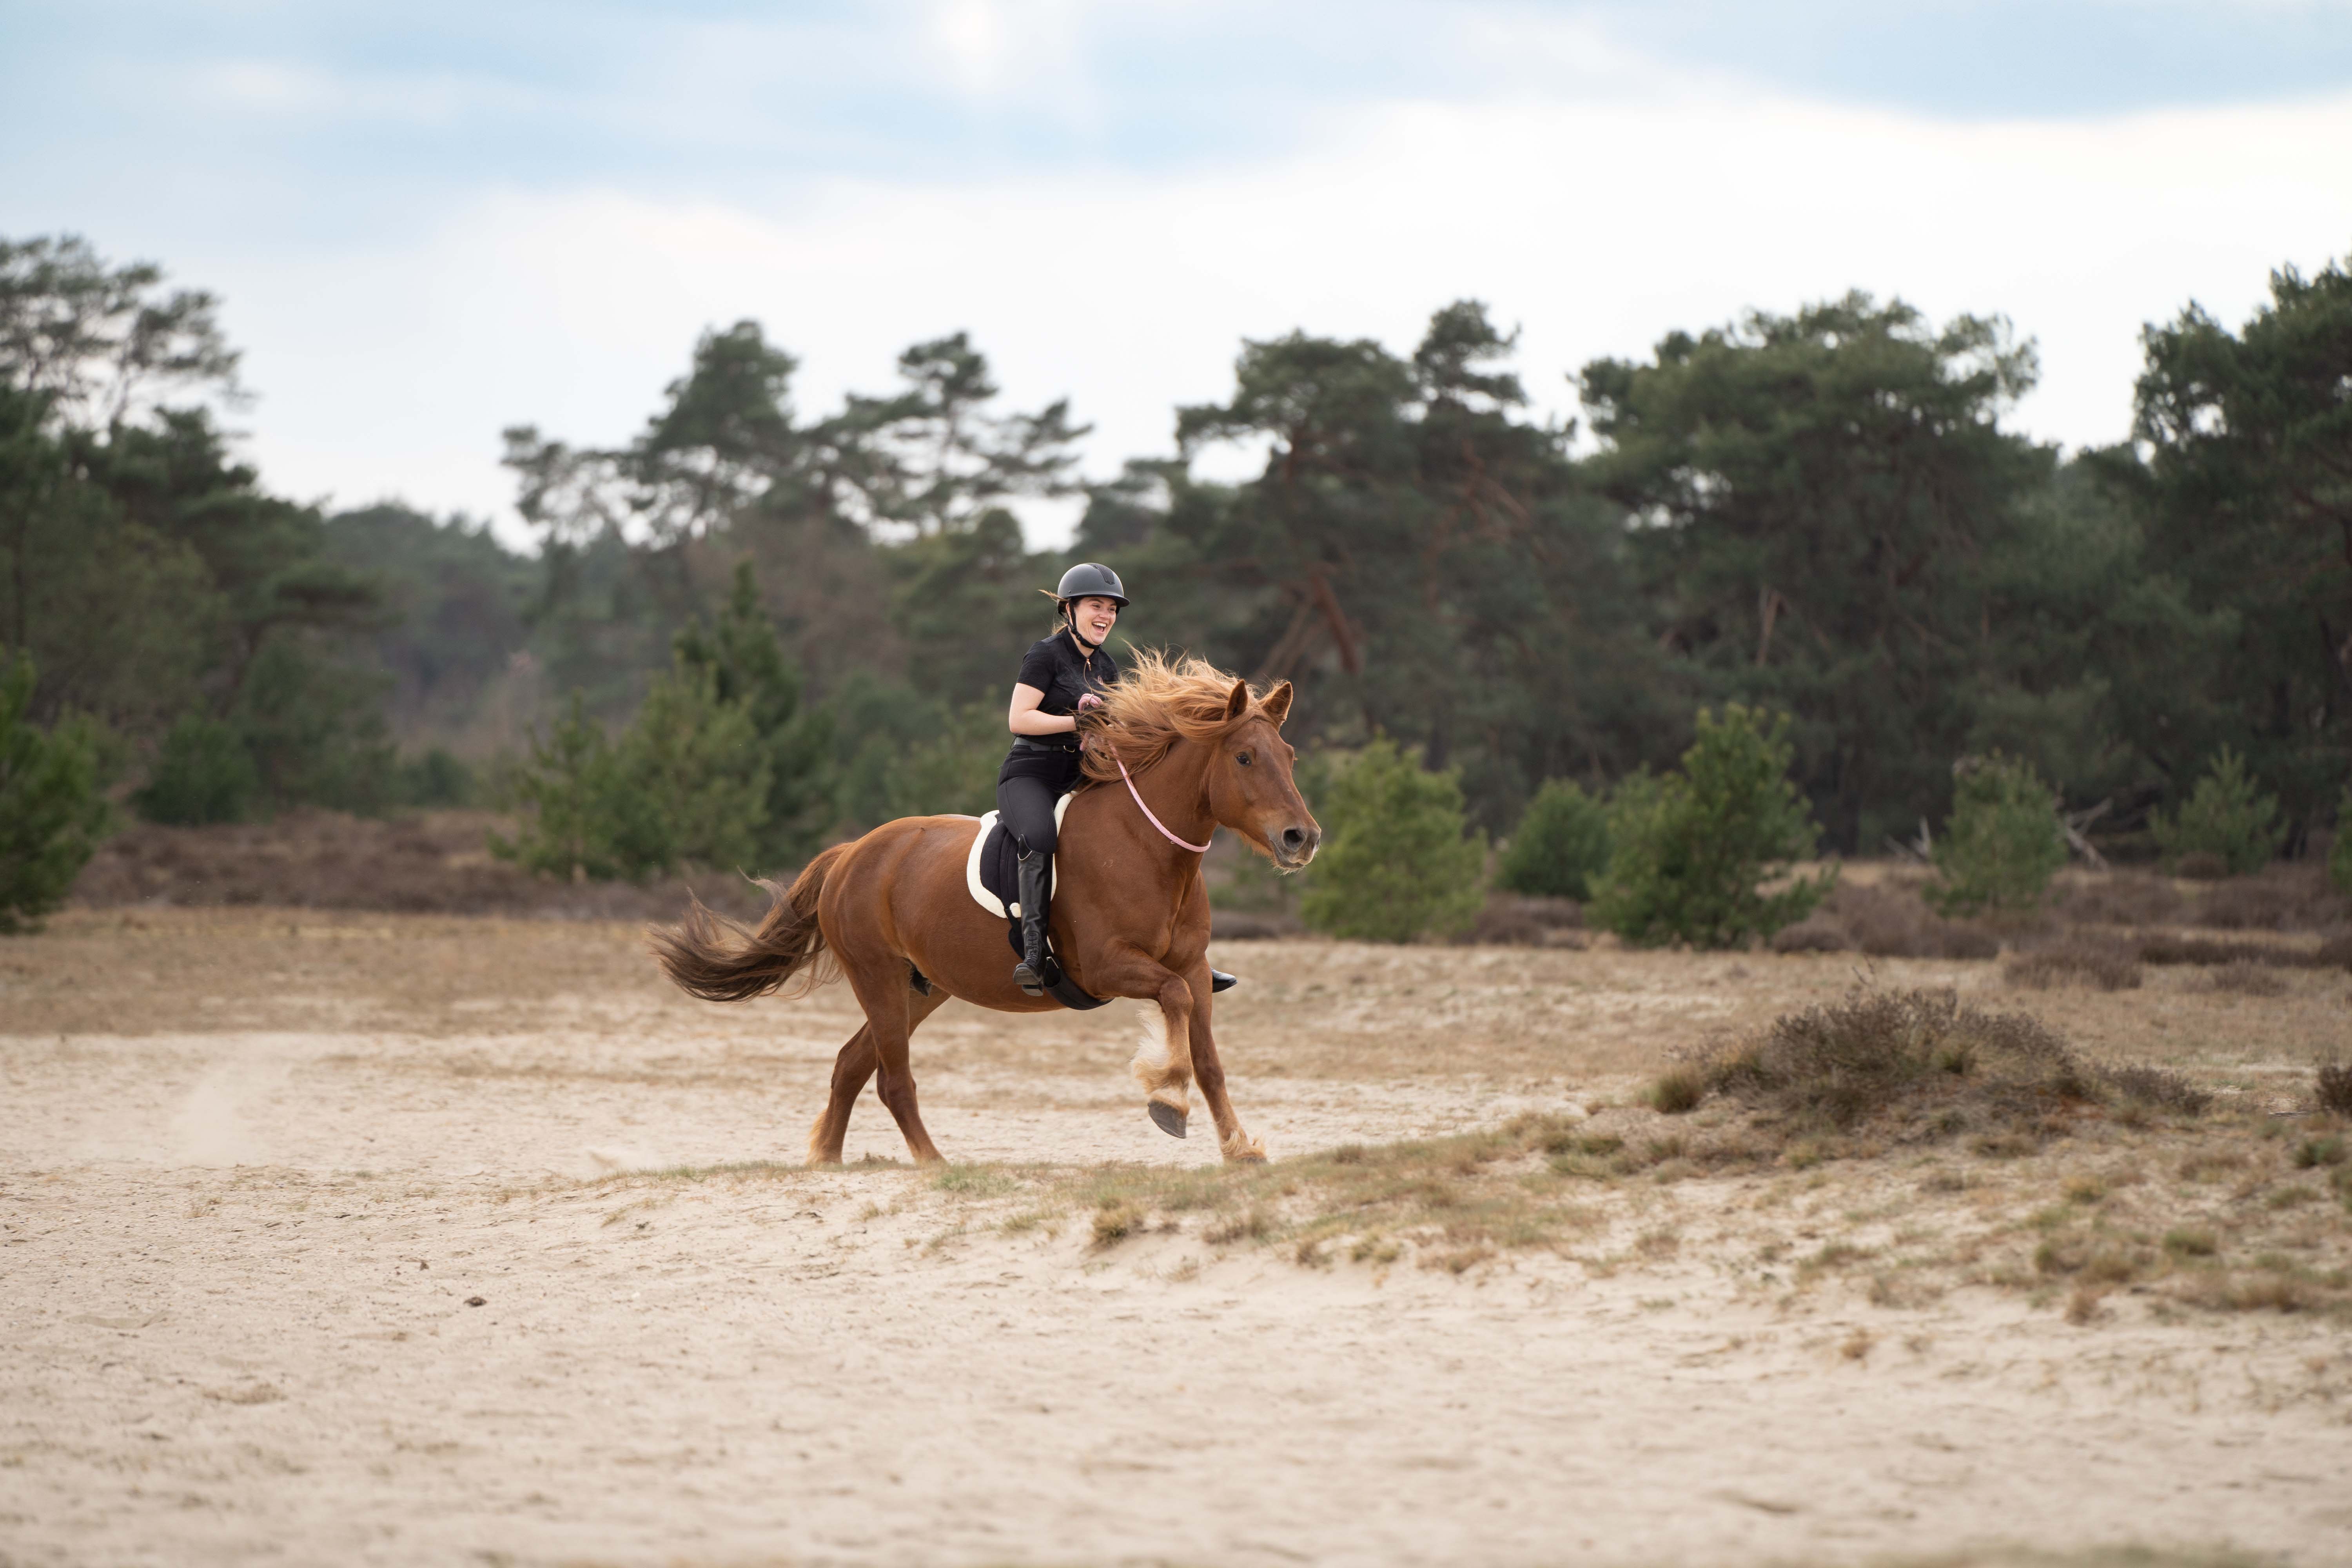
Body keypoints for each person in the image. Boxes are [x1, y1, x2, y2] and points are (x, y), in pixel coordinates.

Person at [999, 563, 1236, 998]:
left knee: (1158, 835)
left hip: (1086, 775)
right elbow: (1020, 719)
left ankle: (1188, 953)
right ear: (1070, 609)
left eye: (1111, 608)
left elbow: (1106, 729)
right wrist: (1078, 720)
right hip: (1033, 773)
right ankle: (1033, 954)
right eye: (1096, 605)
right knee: (1039, 836)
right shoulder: (1045, 654)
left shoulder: (1105, 665)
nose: (1105, 615)